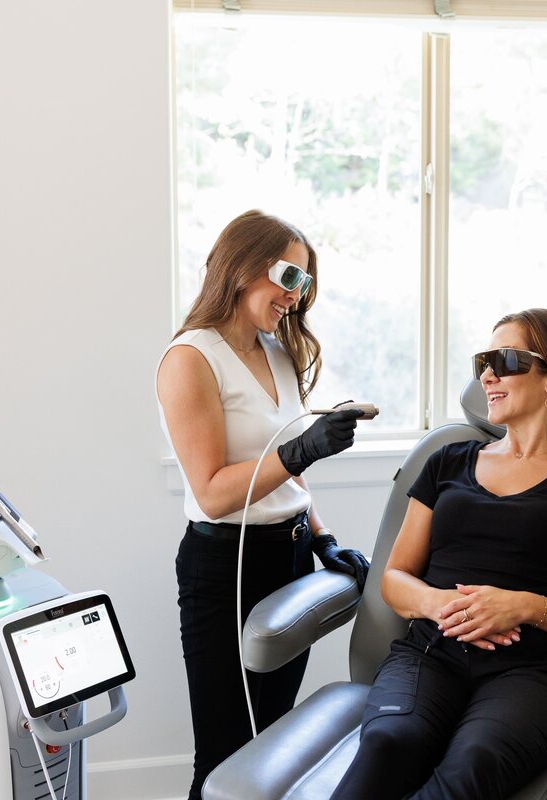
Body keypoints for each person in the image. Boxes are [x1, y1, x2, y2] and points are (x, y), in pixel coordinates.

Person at [330, 308, 547, 800]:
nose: (487, 375)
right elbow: (393, 578)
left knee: (475, 761)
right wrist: (438, 605)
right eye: (482, 362)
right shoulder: (447, 462)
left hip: (534, 674)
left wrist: (522, 606)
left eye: (505, 359)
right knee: (389, 742)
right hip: (431, 653)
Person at [157, 210, 371, 800]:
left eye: (303, 284)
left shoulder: (277, 353)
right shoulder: (190, 359)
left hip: (292, 555)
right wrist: (303, 449)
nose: (294, 297)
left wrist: (324, 538)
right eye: (287, 277)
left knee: (273, 746)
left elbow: (283, 479)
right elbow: (213, 491)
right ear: (242, 266)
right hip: (227, 568)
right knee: (226, 759)